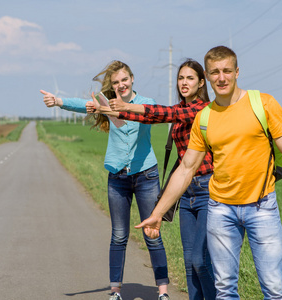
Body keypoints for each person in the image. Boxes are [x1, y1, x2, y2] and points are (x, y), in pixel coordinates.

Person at [135, 46, 282, 299]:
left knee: (273, 288)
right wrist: (157, 214)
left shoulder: (263, 103)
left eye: (227, 71)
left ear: (237, 72)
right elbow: (186, 168)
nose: (222, 77)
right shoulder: (205, 117)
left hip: (262, 207)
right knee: (224, 289)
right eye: (215, 72)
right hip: (221, 209)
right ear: (207, 76)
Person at [40, 60, 171, 300]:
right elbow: (85, 105)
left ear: (132, 79)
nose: (121, 85)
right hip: (118, 176)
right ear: (111, 86)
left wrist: (119, 109)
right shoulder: (106, 104)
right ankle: (115, 291)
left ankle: (162, 292)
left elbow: (151, 114)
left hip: (146, 175)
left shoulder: (146, 103)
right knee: (119, 235)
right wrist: (58, 101)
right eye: (116, 82)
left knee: (152, 232)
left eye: (124, 80)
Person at [88, 59, 217, 300]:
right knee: (190, 262)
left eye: (190, 78)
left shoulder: (202, 109)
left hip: (207, 188)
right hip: (186, 191)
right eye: (181, 78)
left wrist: (121, 109)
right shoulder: (181, 107)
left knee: (200, 261)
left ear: (201, 82)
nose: (184, 83)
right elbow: (156, 119)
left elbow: (162, 113)